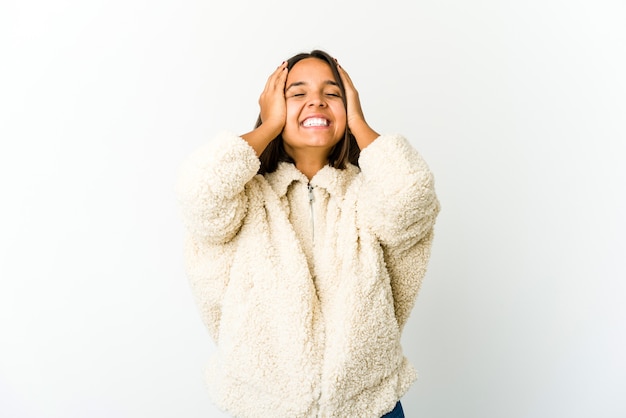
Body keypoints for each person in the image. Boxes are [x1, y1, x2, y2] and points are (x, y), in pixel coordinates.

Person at [176, 49, 440, 418]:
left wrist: (359, 123)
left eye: (332, 94)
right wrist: (267, 127)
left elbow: (412, 195)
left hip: (368, 405)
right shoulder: (246, 197)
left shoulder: (368, 195)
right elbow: (199, 191)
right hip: (263, 406)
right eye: (297, 93)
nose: (316, 100)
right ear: (273, 106)